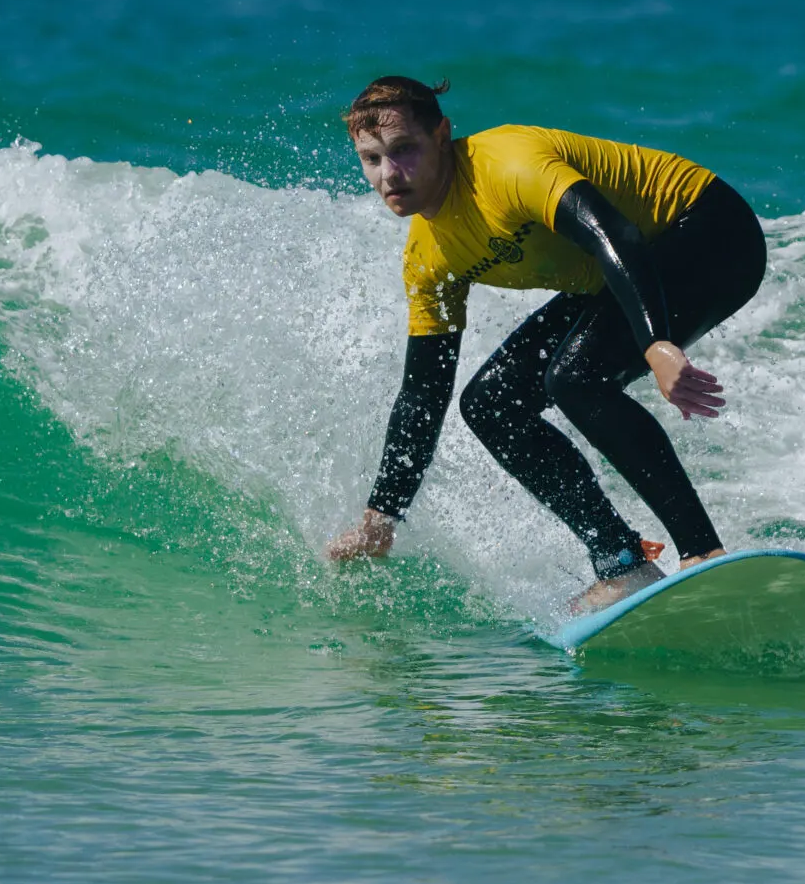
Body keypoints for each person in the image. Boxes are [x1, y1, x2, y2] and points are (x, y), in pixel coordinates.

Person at [324, 75, 767, 610]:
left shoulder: (507, 165)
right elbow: (423, 393)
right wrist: (381, 518)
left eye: (405, 150)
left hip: (708, 231)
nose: (389, 174)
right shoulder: (428, 259)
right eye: (371, 159)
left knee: (576, 380)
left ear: (442, 135)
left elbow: (613, 234)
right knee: (490, 405)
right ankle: (622, 563)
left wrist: (656, 344)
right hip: (619, 272)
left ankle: (703, 553)